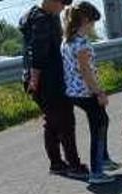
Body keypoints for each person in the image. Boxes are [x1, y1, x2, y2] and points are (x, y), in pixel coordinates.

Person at [19, 0, 89, 179]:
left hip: (42, 79)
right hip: (48, 80)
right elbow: (37, 52)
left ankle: (57, 163)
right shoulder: (42, 20)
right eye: (63, 2)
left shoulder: (34, 15)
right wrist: (35, 79)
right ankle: (74, 165)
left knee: (52, 122)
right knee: (65, 122)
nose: (65, 6)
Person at [61, 1, 122, 185]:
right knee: (99, 127)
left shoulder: (67, 40)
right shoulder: (82, 43)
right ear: (85, 20)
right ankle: (97, 171)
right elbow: (86, 71)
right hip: (86, 92)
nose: (93, 27)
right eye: (92, 23)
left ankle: (103, 160)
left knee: (101, 121)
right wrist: (99, 93)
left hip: (73, 91)